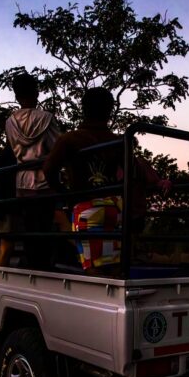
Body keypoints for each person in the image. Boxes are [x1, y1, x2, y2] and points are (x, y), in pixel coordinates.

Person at [43, 87, 170, 274]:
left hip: (86, 207)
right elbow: (131, 171)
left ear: (83, 108)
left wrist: (65, 193)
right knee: (113, 264)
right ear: (110, 111)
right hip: (114, 207)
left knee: (92, 268)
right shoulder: (118, 141)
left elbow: (49, 170)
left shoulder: (69, 139)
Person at [3, 72, 61, 268]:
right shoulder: (47, 118)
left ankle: (32, 264)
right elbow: (57, 148)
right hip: (45, 180)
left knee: (29, 229)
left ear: (17, 96)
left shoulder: (10, 122)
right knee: (46, 227)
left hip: (22, 180)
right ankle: (45, 265)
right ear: (37, 92)